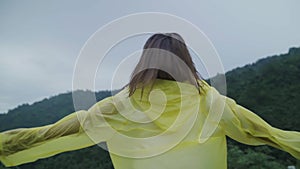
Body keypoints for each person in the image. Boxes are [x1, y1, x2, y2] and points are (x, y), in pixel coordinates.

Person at [0, 33, 299, 169]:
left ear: (144, 64)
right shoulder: (213, 105)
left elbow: (49, 135)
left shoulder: (116, 109)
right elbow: (268, 134)